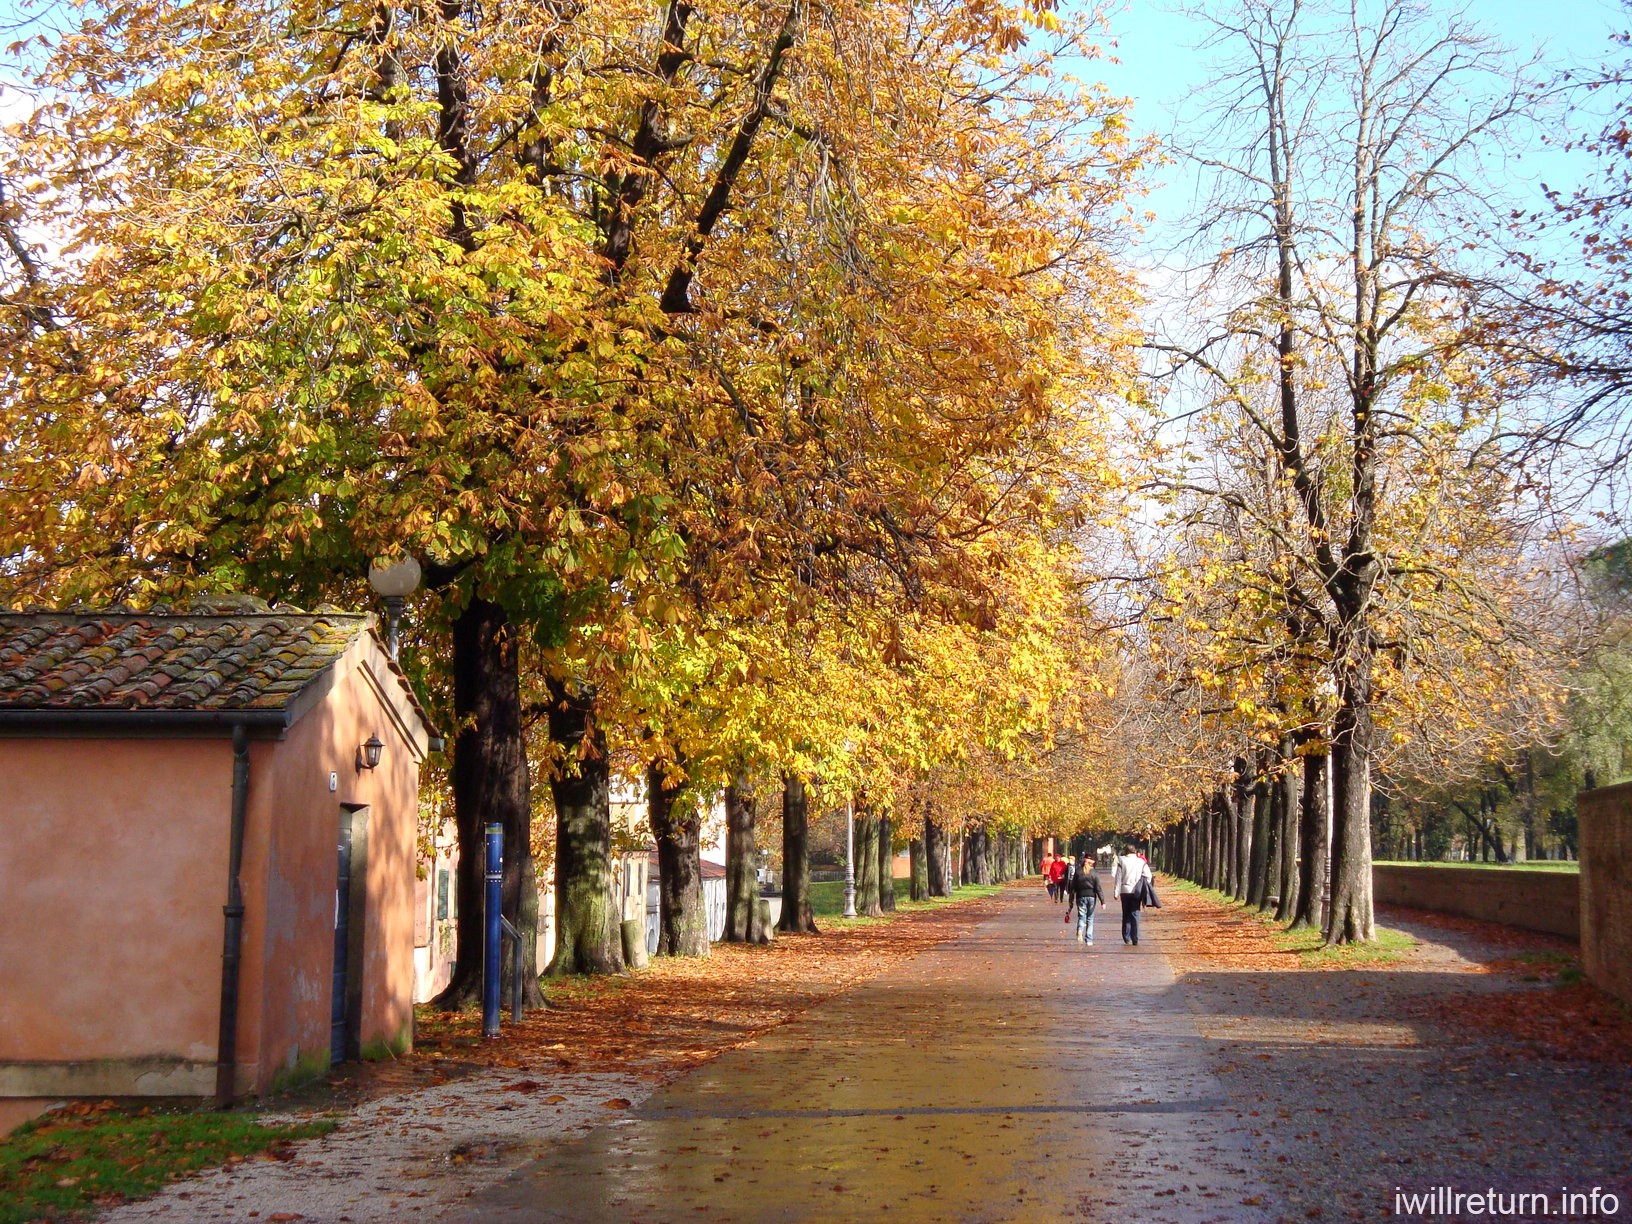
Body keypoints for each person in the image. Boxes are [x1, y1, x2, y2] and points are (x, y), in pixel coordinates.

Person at [1112, 842, 1153, 946]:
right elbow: (1148, 875)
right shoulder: (1141, 862)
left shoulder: (1122, 861)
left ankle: (1126, 937)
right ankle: (1135, 937)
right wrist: (1143, 884)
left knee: (1126, 914)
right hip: (1137, 891)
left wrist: (1116, 892)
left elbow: (1118, 877)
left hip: (1125, 890)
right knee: (1135, 913)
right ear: (1134, 851)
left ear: (1125, 851)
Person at [1067, 851, 1104, 944]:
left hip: (1080, 896)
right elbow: (1098, 888)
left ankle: (1080, 930)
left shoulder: (1078, 872)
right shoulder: (1094, 873)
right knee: (1090, 918)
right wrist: (1102, 901)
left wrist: (1071, 900)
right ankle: (1089, 939)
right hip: (1091, 897)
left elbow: (1072, 887)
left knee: (1081, 916)